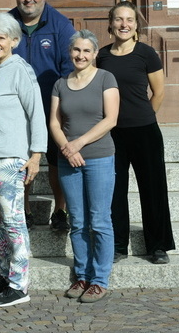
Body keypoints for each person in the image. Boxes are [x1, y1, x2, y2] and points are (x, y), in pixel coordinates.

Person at [0, 0, 76, 232]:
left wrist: (65, 104)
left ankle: (60, 210)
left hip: (52, 107)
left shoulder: (60, 25)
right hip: (14, 113)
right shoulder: (5, 23)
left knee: (57, 161)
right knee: (22, 162)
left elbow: (70, 68)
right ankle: (25, 209)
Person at [0, 13, 48, 308]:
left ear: (14, 41)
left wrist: (36, 154)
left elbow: (36, 112)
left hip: (9, 155)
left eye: (2, 37)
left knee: (13, 220)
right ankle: (6, 274)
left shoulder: (21, 69)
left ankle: (19, 284)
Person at [97, 1, 176, 264]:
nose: (124, 25)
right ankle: (118, 245)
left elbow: (159, 92)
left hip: (145, 133)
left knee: (152, 190)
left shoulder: (147, 53)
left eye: (129, 20)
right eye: (119, 19)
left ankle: (158, 245)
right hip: (113, 134)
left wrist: (144, 117)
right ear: (111, 23)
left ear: (136, 25)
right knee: (115, 191)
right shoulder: (102, 56)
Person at [50, 30, 119, 303]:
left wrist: (77, 144)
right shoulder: (60, 84)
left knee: (100, 220)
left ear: (94, 53)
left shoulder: (105, 79)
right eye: (76, 50)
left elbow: (111, 119)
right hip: (68, 160)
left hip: (99, 157)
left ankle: (100, 280)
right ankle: (82, 275)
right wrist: (67, 148)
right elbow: (54, 123)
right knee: (77, 221)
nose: (81, 55)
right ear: (70, 52)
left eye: (86, 51)